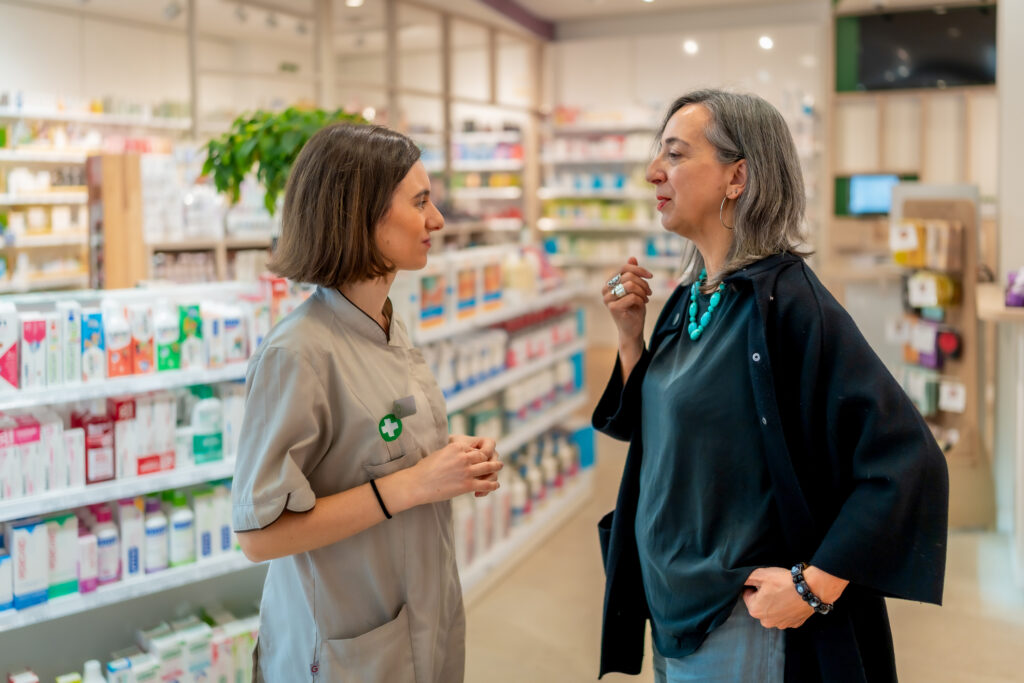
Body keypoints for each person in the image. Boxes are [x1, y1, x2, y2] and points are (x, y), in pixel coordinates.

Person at [593, 89, 949, 682]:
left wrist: (815, 586)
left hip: (739, 620)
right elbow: (654, 429)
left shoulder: (788, 305)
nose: (654, 172)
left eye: (676, 155)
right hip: (672, 603)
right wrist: (632, 340)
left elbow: (907, 462)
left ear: (737, 178)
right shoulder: (690, 296)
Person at [231, 122, 503, 682]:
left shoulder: (387, 322)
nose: (438, 220)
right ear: (362, 214)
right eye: (421, 201)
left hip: (417, 619)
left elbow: (372, 445)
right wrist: (416, 484)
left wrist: (448, 459)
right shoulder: (298, 352)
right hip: (342, 648)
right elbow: (258, 536)